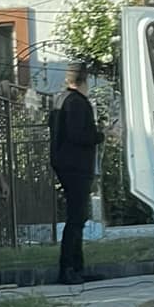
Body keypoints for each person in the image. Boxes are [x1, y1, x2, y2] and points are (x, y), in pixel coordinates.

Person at [49, 63, 102, 285]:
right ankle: (69, 268)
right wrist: (99, 135)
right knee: (76, 217)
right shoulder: (78, 103)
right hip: (76, 166)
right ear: (84, 80)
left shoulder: (60, 100)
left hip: (64, 164)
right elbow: (78, 135)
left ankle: (77, 267)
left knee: (77, 217)